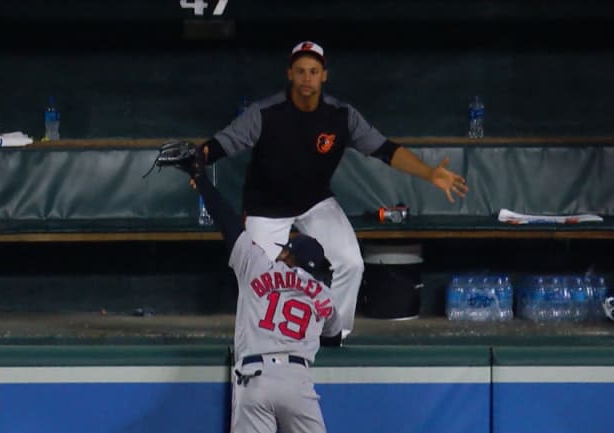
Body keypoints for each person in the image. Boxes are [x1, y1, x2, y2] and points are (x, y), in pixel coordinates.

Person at [152, 140, 363, 433]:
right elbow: (332, 333)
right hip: (299, 382)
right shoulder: (324, 296)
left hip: (256, 377)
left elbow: (228, 223)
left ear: (288, 256)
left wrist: (201, 180)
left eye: (286, 248)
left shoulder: (259, 266)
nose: (282, 250)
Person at [201, 40, 469, 341]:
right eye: (301, 71)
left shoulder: (341, 115)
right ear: (289, 74)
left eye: (313, 71)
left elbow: (385, 149)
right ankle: (259, 340)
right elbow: (225, 142)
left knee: (351, 262)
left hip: (314, 202)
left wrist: (430, 173)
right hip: (266, 207)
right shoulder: (265, 112)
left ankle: (334, 335)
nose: (307, 78)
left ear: (324, 75)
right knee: (256, 274)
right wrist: (197, 160)